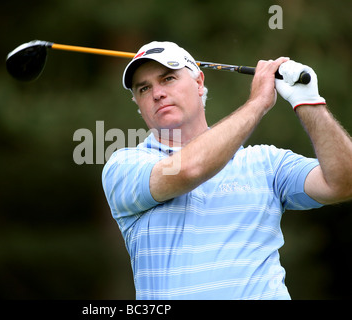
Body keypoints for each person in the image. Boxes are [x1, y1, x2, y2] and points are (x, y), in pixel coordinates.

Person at [101, 41, 352, 299]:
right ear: (138, 103)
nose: (157, 93)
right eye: (144, 88)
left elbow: (343, 183)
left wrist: (309, 102)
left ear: (199, 83)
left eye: (168, 79)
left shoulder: (266, 162)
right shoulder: (125, 166)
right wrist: (258, 103)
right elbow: (190, 169)